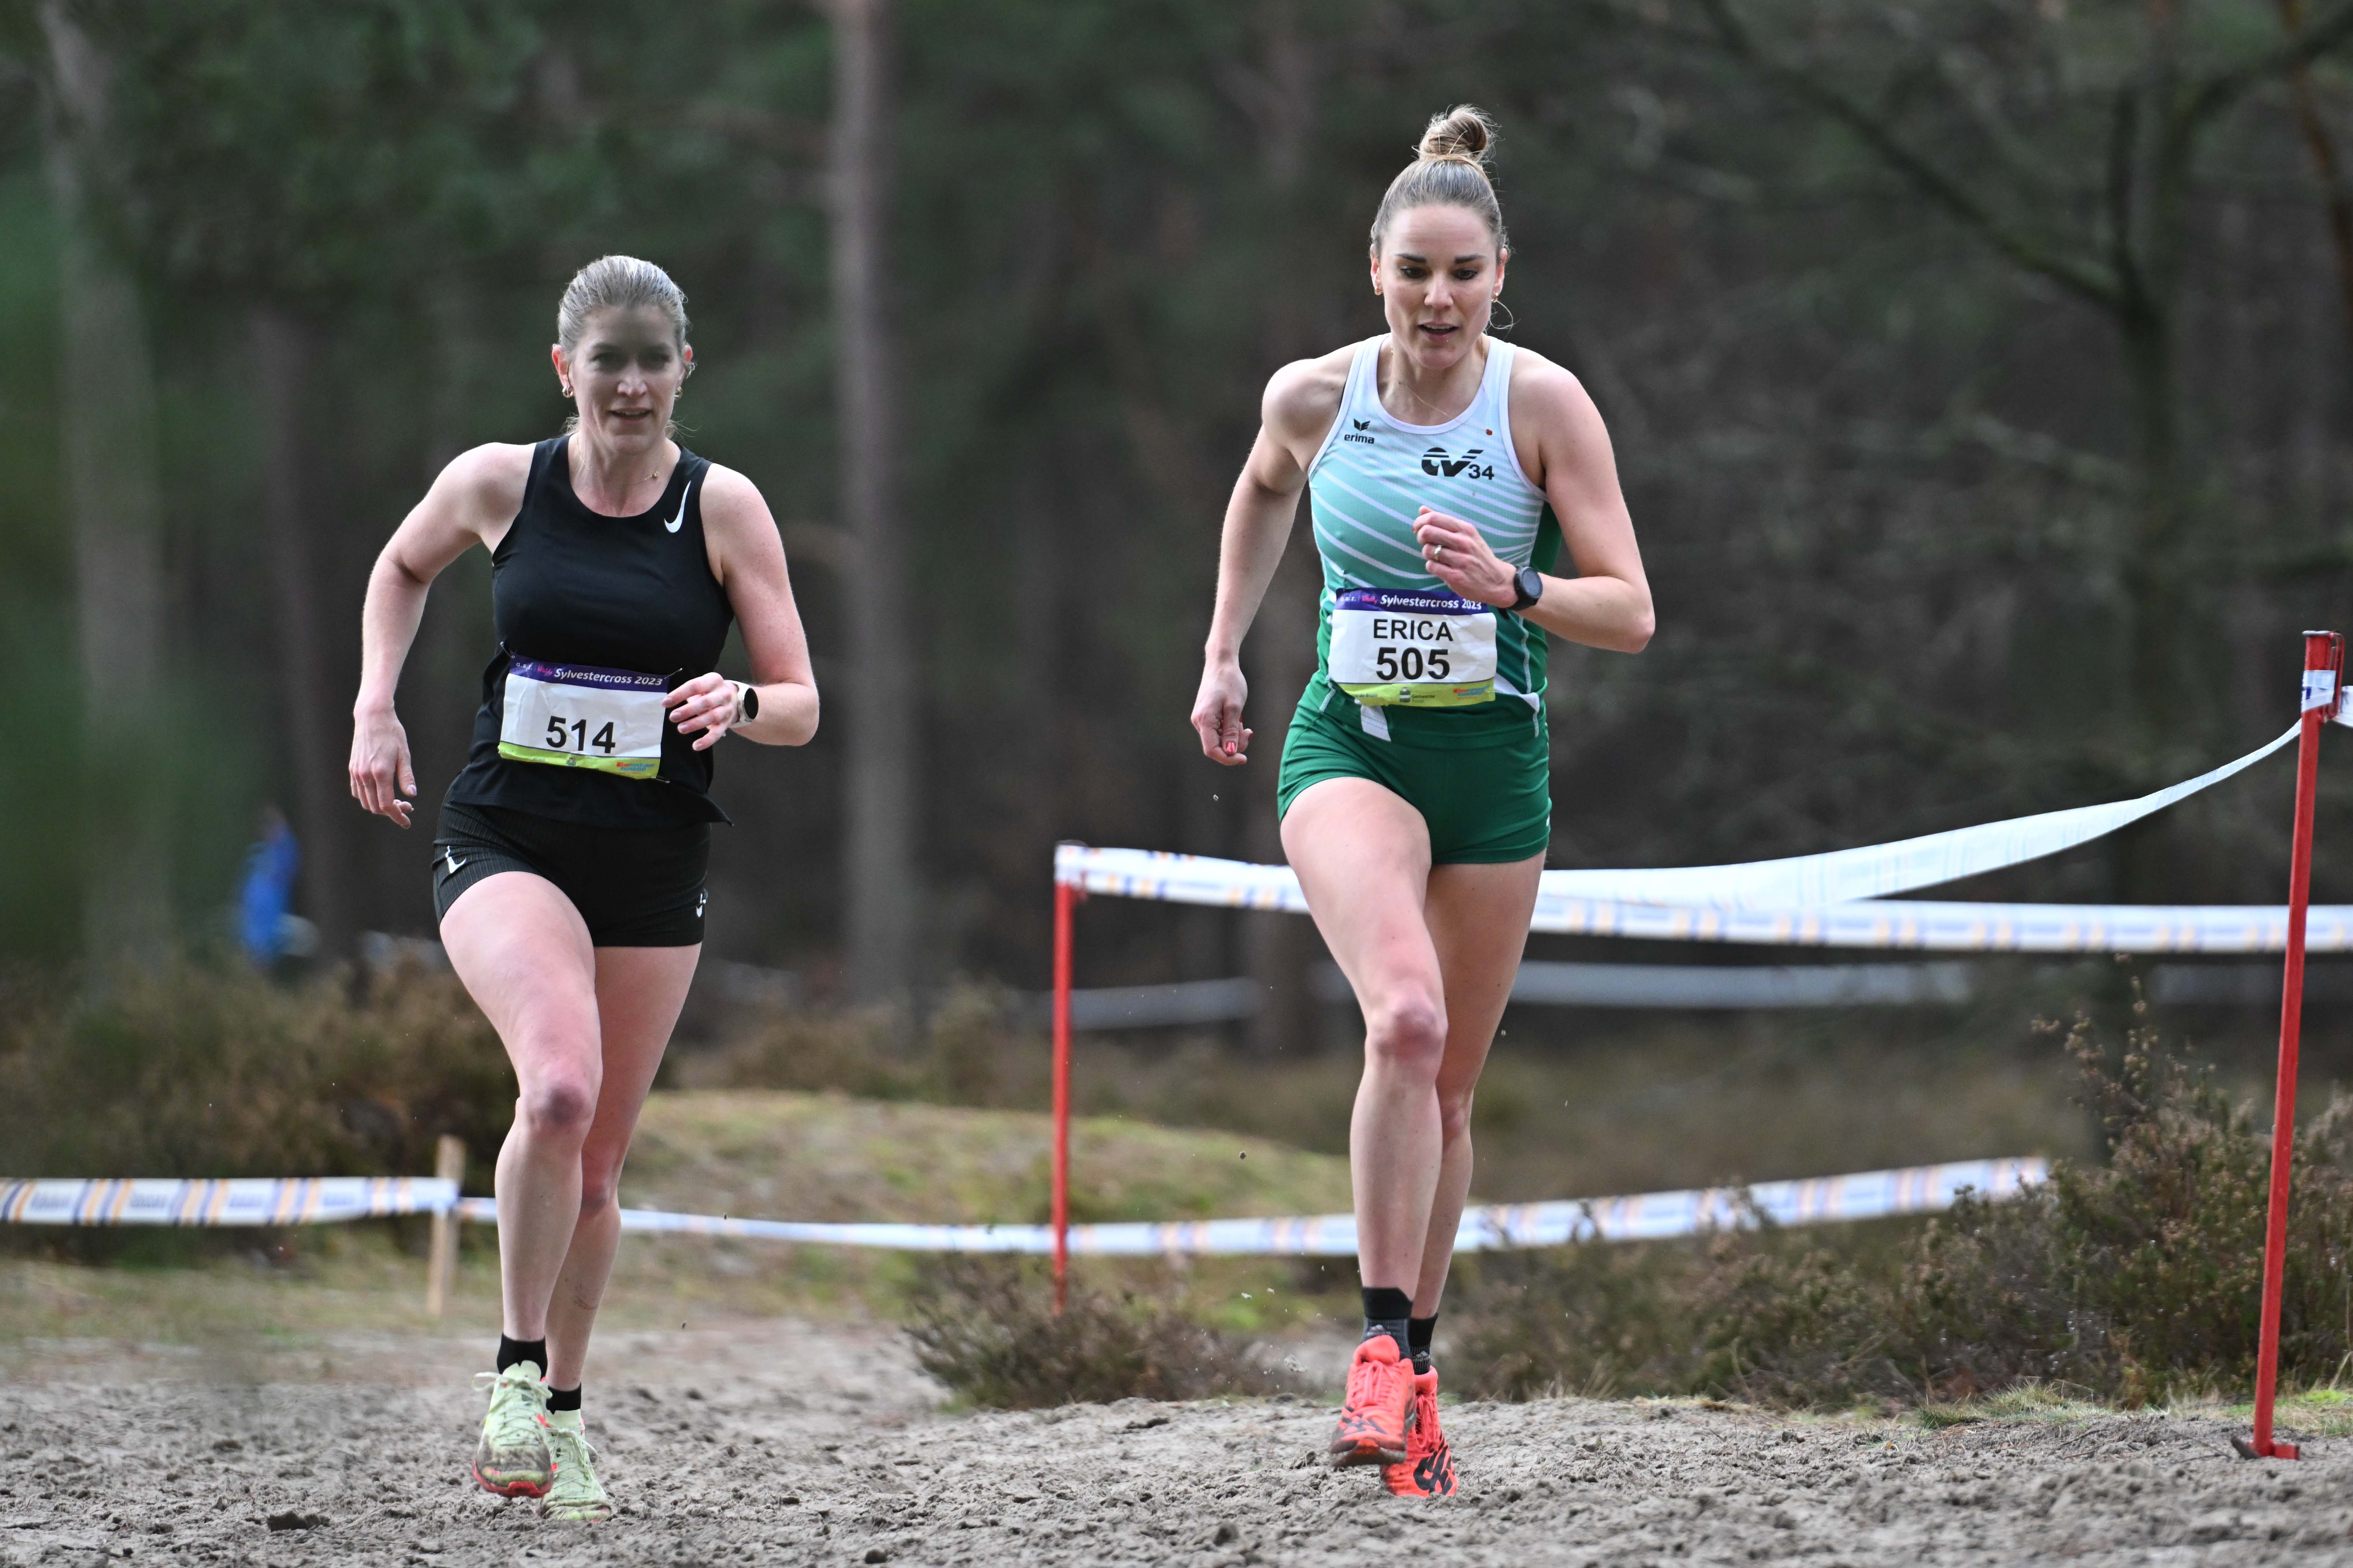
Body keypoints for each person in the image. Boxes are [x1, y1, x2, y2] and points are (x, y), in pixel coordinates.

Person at [1189, 107, 1653, 1498]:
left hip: (1495, 767)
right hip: (1354, 748)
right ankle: (1379, 1347)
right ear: (1374, 270)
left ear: (1499, 274)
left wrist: (1515, 586)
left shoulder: (1542, 405)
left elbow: (1629, 610)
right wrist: (1222, 651)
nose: (1437, 300)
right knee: (1403, 1017)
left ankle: (1421, 1380)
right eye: (1414, 272)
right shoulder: (1314, 397)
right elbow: (1259, 492)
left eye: (1462, 273)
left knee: (1448, 1088)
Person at [347, 255, 819, 1522]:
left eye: (653, 359)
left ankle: (562, 1418)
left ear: (683, 370)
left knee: (598, 1168)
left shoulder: (724, 508)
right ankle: (512, 1375)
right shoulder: (501, 481)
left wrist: (741, 700)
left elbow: (801, 701)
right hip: (505, 836)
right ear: (566, 368)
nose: (630, 383)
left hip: (652, 860)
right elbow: (400, 567)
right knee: (556, 1087)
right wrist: (376, 704)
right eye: (607, 359)